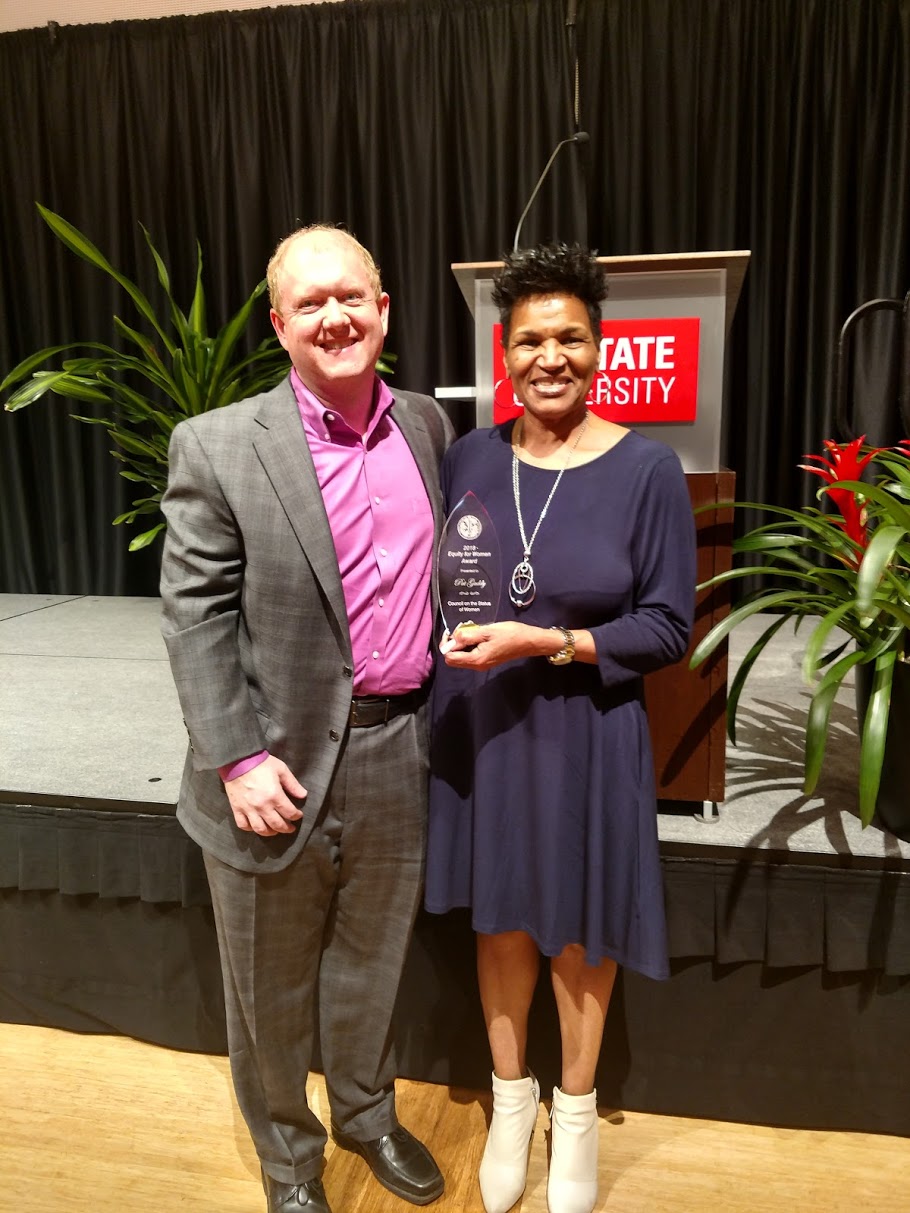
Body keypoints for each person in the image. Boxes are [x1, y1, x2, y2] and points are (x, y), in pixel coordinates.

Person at [160, 224, 453, 1213]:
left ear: (382, 307)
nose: (335, 316)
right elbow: (194, 616)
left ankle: (367, 1116)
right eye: (309, 303)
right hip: (268, 768)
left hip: (394, 746)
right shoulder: (216, 446)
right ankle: (291, 1159)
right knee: (270, 988)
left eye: (351, 296)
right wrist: (236, 756)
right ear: (280, 324)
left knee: (371, 963)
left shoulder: (425, 426)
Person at [425, 243, 696, 1213]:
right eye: (531, 338)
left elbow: (668, 623)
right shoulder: (467, 454)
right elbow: (442, 583)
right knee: (499, 917)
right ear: (505, 350)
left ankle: (571, 1116)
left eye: (569, 337)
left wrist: (549, 639)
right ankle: (510, 1101)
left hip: (587, 731)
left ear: (599, 345)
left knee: (581, 930)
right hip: (489, 728)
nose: (550, 355)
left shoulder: (647, 469)